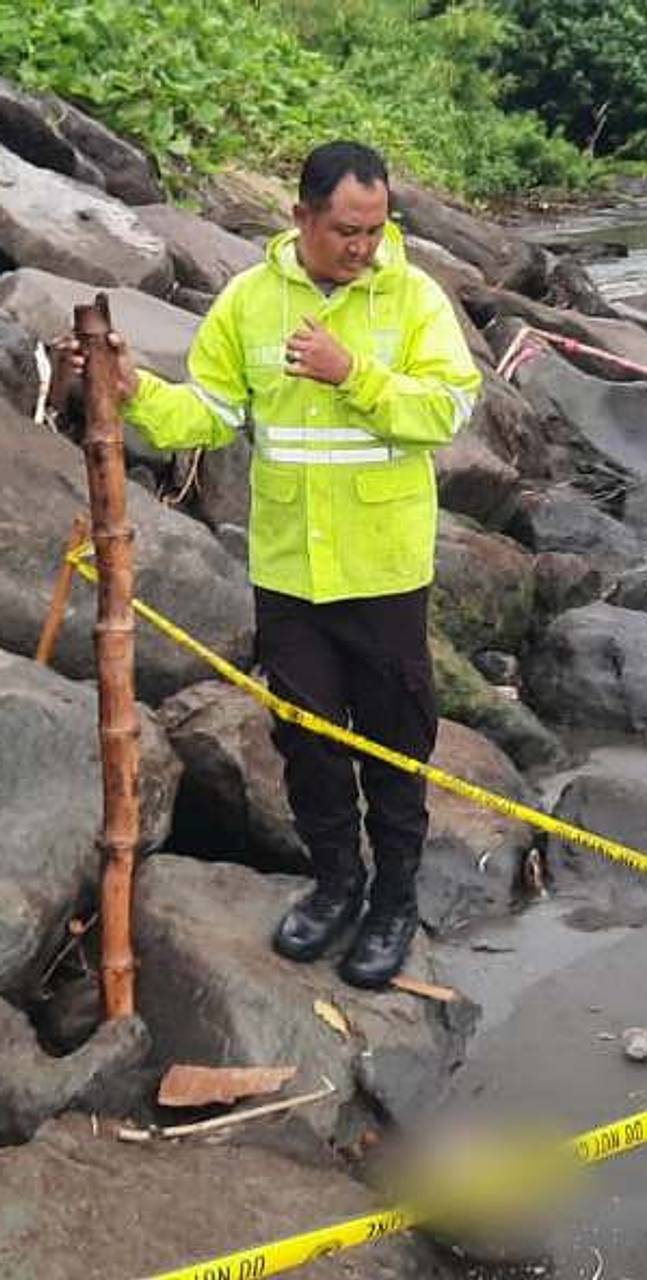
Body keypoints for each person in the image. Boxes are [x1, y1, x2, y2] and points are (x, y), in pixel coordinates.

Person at [86, 140, 481, 988]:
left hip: (384, 572)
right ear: (300, 217)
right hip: (290, 573)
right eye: (346, 229)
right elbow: (209, 413)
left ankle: (395, 901)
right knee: (306, 742)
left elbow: (446, 412)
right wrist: (134, 393)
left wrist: (355, 376)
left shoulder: (412, 299)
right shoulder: (249, 303)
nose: (362, 246)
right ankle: (338, 884)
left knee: (397, 744)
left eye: (375, 230)